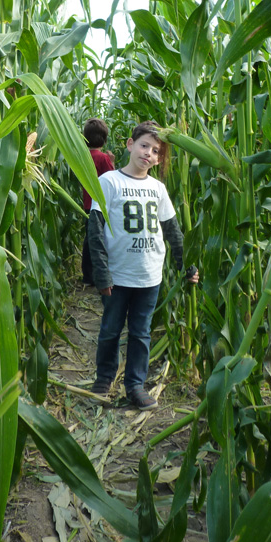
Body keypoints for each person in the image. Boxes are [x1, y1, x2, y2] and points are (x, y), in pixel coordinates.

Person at [88, 120, 199, 410]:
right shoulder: (109, 182)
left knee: (141, 332)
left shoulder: (158, 189)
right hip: (118, 275)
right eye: (144, 145)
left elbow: (172, 231)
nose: (148, 153)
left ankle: (135, 385)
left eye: (155, 150)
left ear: (159, 159)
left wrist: (185, 264)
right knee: (111, 329)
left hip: (149, 276)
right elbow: (95, 230)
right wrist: (101, 272)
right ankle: (103, 379)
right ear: (129, 144)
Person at [81, 118, 115, 285]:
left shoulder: (82, 156)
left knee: (89, 240)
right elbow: (113, 179)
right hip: (102, 206)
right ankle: (99, 276)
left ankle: (87, 277)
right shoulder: (103, 158)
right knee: (101, 240)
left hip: (87, 204)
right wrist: (113, 162)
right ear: (104, 139)